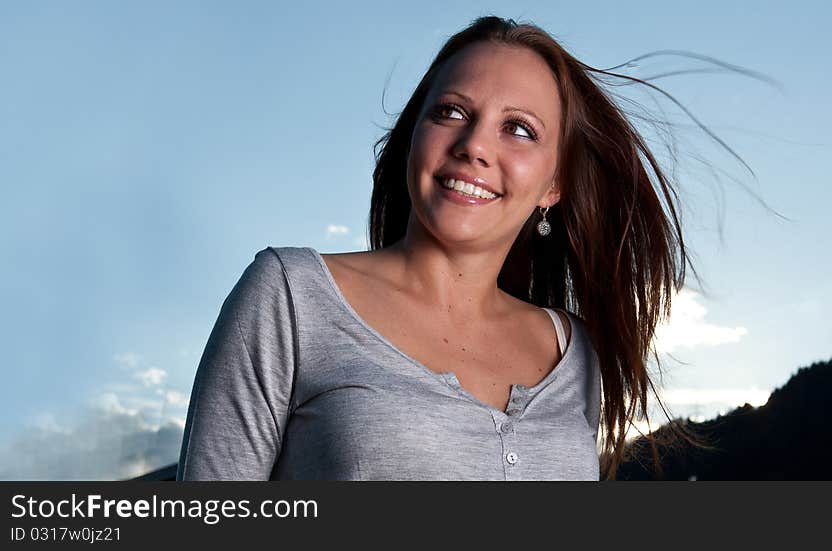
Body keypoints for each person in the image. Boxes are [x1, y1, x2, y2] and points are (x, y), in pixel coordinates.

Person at [177, 15, 710, 481]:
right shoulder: (291, 298)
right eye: (452, 112)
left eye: (519, 129)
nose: (474, 145)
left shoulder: (574, 355)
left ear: (554, 185)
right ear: (415, 136)